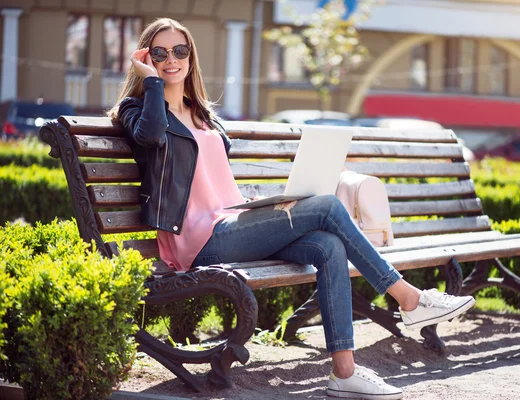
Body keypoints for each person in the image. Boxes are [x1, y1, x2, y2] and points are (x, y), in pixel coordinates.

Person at [108, 18, 475, 400]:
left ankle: (344, 373)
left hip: (231, 223)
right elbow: (150, 136)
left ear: (191, 57)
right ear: (146, 57)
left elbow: (214, 184)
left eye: (180, 51)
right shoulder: (136, 110)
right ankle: (409, 299)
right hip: (198, 241)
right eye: (160, 53)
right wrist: (150, 81)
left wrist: (257, 207)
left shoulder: (203, 115)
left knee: (327, 246)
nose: (172, 60)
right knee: (328, 206)